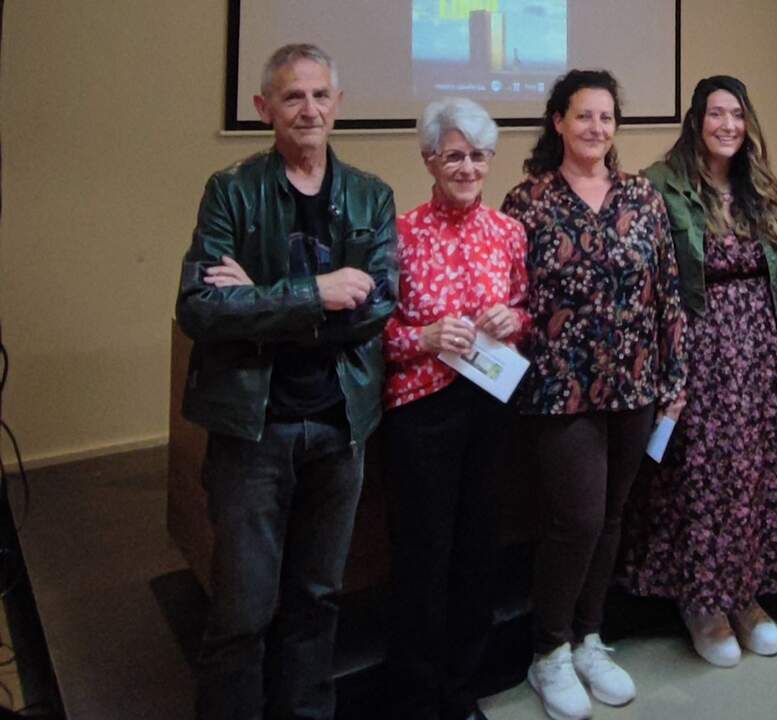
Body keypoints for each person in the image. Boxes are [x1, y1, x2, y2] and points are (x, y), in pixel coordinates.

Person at [175, 44, 396, 719]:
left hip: (340, 425)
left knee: (318, 600)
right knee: (241, 612)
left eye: (321, 95)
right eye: (293, 97)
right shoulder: (232, 191)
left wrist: (262, 301)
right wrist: (316, 293)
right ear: (263, 108)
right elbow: (200, 308)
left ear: (338, 104)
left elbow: (377, 308)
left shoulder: (370, 194)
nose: (309, 109)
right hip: (254, 430)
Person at [500, 69, 686, 720]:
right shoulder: (528, 201)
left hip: (635, 379)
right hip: (559, 384)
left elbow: (667, 291)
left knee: (611, 517)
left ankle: (589, 637)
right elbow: (510, 295)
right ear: (558, 122)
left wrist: (674, 378)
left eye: (607, 117)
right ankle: (547, 648)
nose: (596, 128)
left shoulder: (642, 197)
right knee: (574, 519)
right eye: (583, 116)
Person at [618, 75, 777, 668]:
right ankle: (702, 601)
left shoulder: (759, 188)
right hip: (698, 347)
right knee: (703, 472)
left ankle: (744, 593)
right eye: (716, 114)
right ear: (697, 121)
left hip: (761, 350)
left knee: (754, 469)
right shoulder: (659, 186)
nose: (727, 125)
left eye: (737, 115)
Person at [380, 98, 528, 720]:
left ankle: (462, 686)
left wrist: (511, 318)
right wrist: (426, 338)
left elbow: (527, 310)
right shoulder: (399, 234)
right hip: (421, 410)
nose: (467, 167)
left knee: (476, 548)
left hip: (489, 405)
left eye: (478, 156)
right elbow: (373, 332)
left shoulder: (508, 232)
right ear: (429, 159)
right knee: (423, 552)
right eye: (453, 155)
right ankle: (417, 692)